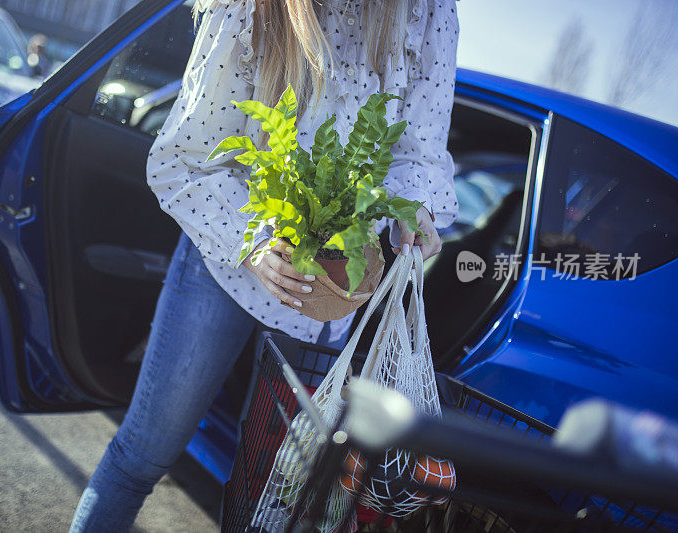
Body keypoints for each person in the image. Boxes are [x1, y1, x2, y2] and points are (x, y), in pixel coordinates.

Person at [70, 0, 458, 529]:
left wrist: (414, 206)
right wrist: (252, 244)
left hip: (328, 289)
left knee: (275, 495)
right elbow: (181, 159)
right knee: (141, 457)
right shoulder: (247, 7)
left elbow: (420, 146)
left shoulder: (425, 9)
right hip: (222, 263)